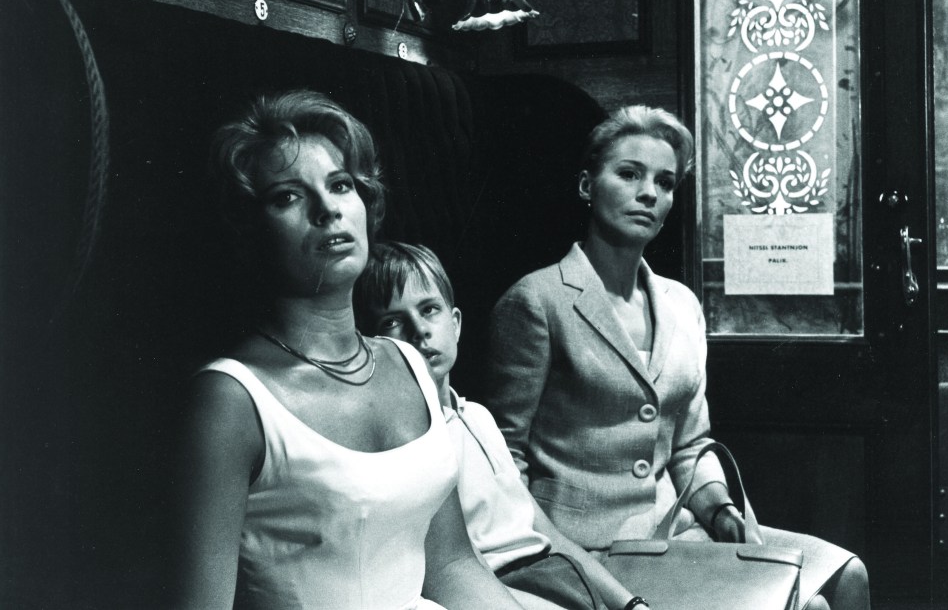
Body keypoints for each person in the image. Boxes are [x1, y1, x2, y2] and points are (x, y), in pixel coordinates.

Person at [484, 105, 870, 610]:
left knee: (848, 577)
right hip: (590, 553)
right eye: (629, 174)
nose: (649, 192)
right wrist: (555, 558)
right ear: (586, 186)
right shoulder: (536, 301)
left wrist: (722, 512)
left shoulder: (682, 304)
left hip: (678, 532)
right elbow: (502, 461)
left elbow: (690, 445)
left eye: (664, 182)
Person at [170, 90, 523, 610]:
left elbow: (451, 566)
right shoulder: (230, 401)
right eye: (288, 197)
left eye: (340, 185)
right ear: (249, 228)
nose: (327, 209)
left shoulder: (409, 364)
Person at [355, 240, 653, 610]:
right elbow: (456, 570)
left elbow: (545, 532)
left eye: (429, 309)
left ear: (455, 323)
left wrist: (630, 603)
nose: (419, 330)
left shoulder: (478, 417)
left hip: (555, 573)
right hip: (493, 590)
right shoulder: (410, 441)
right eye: (392, 321)